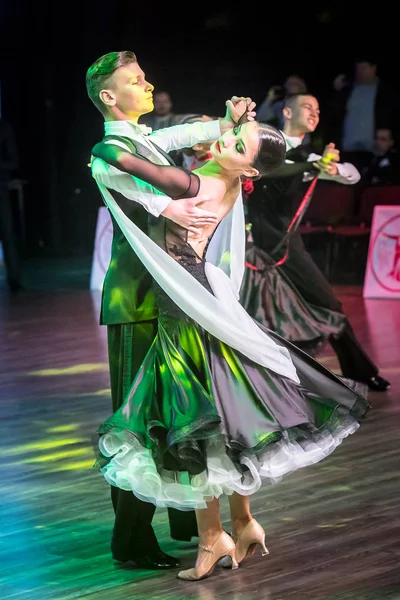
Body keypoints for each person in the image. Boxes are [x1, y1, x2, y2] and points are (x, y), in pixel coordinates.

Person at [91, 116, 369, 582]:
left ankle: (212, 537)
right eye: (230, 135)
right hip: (200, 301)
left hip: (184, 313)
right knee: (224, 415)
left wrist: (98, 151)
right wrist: (222, 123)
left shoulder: (196, 181)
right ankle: (242, 523)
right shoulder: (226, 184)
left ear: (251, 170)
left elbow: (120, 158)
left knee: (195, 422)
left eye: (236, 142)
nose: (224, 140)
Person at [86, 49, 256, 569]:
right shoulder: (109, 149)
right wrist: (177, 204)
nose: (148, 84)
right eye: (136, 81)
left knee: (181, 410)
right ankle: (131, 538)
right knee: (143, 419)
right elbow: (152, 203)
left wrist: (225, 121)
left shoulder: (139, 139)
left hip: (174, 293)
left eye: (146, 77)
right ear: (109, 96)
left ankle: (188, 520)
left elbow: (177, 138)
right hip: (139, 299)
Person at [242, 92, 390, 392]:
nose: (314, 112)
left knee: (328, 302)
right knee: (246, 311)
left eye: (318, 109)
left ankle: (359, 369)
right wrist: (312, 167)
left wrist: (330, 169)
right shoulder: (262, 141)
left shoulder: (310, 156)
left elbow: (352, 175)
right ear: (286, 112)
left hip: (285, 245)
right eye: (307, 106)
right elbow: (272, 168)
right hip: (245, 242)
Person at [0, 117, 22, 292]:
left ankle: (14, 279)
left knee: (8, 235)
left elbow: (13, 161)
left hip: (1, 189)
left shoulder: (3, 127)